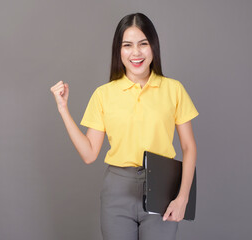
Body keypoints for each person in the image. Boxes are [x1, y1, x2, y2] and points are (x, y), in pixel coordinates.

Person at [50, 13, 199, 240]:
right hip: (117, 193)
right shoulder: (104, 94)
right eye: (127, 45)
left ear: (153, 46)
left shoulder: (174, 89)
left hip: (163, 191)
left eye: (143, 44)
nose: (136, 53)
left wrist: (183, 198)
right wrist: (63, 109)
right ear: (118, 51)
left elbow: (189, 147)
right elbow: (89, 153)